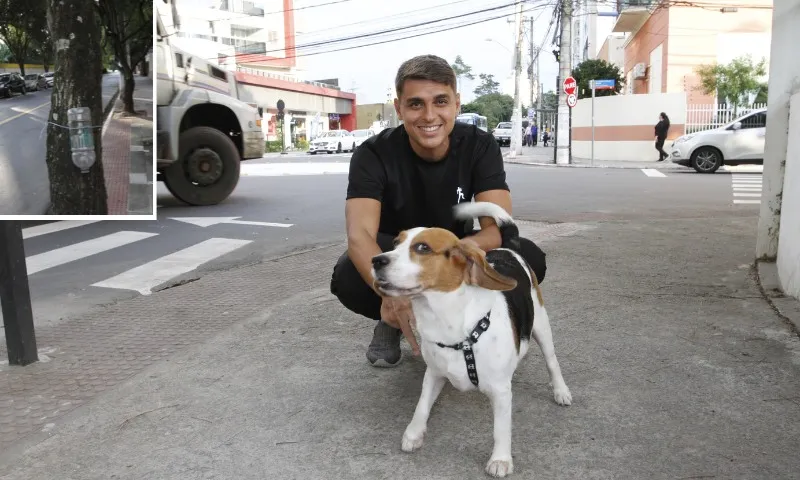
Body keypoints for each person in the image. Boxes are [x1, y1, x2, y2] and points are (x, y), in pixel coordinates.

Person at [329, 54, 548, 368]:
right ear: (399, 107)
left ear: (457, 104)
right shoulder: (373, 153)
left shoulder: (480, 146)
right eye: (416, 104)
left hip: (450, 250)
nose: (429, 115)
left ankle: (470, 320)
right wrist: (389, 295)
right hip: (398, 252)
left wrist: (458, 251)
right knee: (349, 274)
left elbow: (498, 227)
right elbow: (359, 235)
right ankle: (391, 320)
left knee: (525, 257)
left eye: (440, 101)